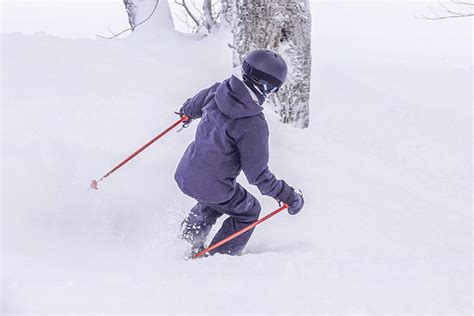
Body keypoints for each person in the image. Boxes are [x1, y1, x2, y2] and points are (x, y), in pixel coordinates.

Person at [174, 49, 304, 257]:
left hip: (186, 173)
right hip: (212, 186)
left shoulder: (219, 90)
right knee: (248, 211)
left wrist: (185, 114)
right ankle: (218, 257)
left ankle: (188, 237)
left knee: (217, 199)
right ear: (266, 87)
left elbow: (193, 106)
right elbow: (258, 176)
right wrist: (288, 195)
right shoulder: (252, 123)